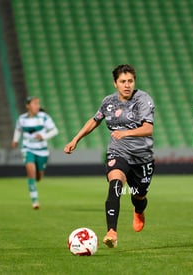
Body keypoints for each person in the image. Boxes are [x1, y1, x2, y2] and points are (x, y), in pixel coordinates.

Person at [64, 64, 155, 249]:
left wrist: (125, 133)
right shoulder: (108, 102)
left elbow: (148, 128)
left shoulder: (142, 99)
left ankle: (139, 210)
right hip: (117, 152)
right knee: (115, 185)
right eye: (123, 81)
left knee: (139, 196)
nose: (127, 85)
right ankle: (111, 232)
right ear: (115, 83)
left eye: (130, 81)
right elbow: (95, 120)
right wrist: (76, 139)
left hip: (142, 158)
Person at [11, 96, 58, 210]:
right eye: (35, 104)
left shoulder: (44, 117)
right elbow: (18, 129)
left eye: (38, 104)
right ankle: (35, 201)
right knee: (30, 173)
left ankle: (39, 173)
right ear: (28, 106)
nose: (37, 106)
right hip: (28, 148)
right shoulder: (22, 119)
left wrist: (43, 136)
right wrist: (15, 140)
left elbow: (54, 130)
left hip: (42, 150)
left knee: (38, 176)